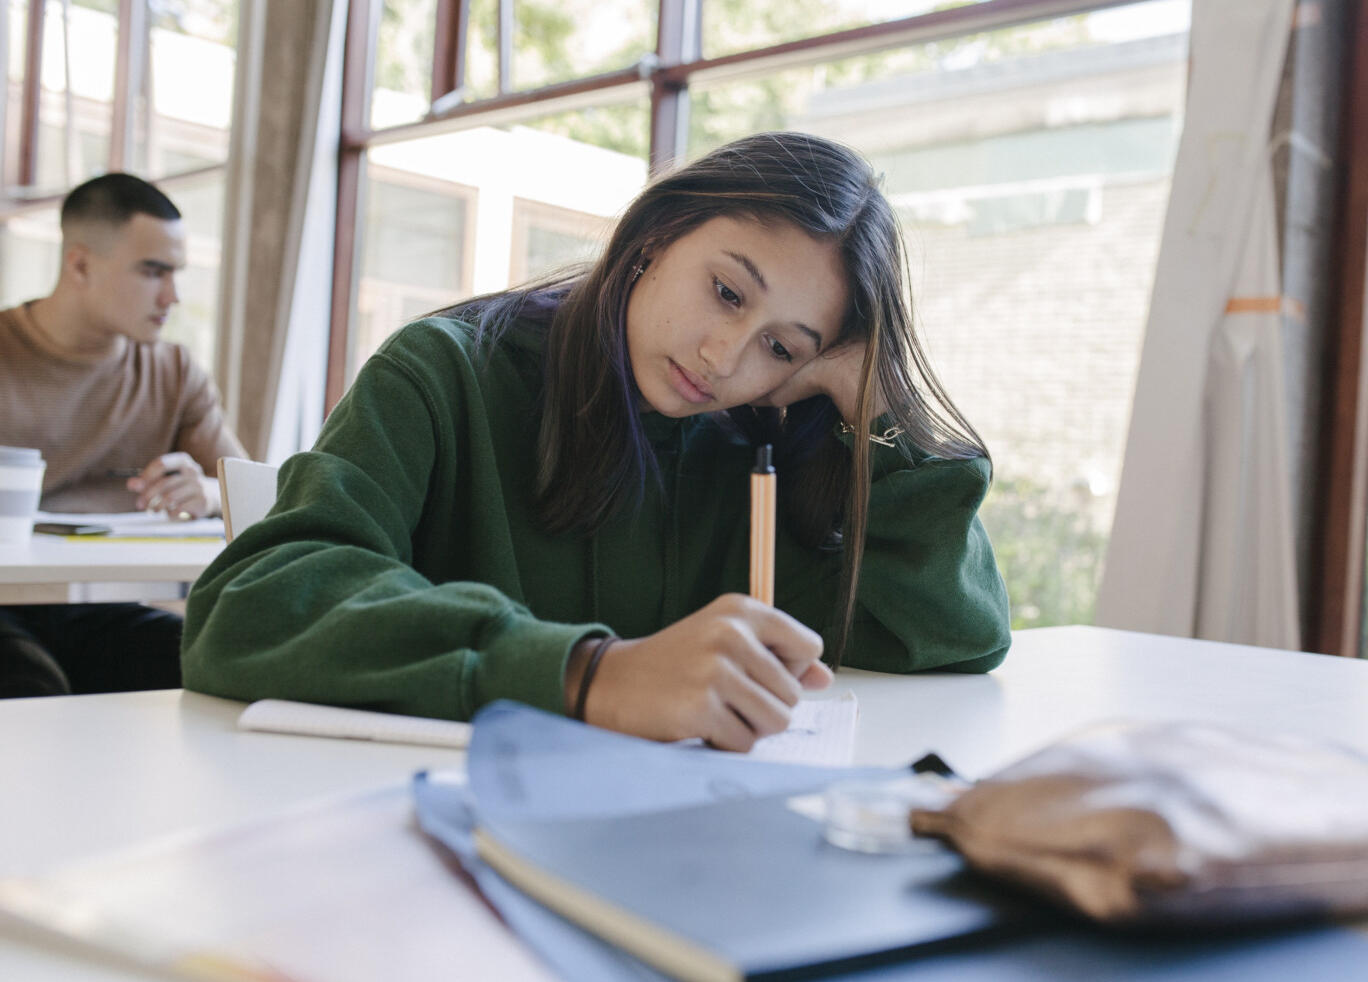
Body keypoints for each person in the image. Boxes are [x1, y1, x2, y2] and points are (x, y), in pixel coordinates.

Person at [183, 132, 1009, 750]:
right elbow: (246, 611)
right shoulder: (445, 373)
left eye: (783, 349)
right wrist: (586, 675)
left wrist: (881, 408)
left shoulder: (762, 454)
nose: (726, 359)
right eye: (726, 291)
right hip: (412, 840)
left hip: (665, 858)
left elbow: (951, 639)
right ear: (658, 234)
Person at [0, 173, 247, 698]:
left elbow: (254, 501)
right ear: (81, 265)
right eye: (154, 271)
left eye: (176, 273)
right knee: (31, 684)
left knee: (224, 663)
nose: (173, 295)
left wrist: (206, 493)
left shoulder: (175, 371)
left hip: (85, 610)